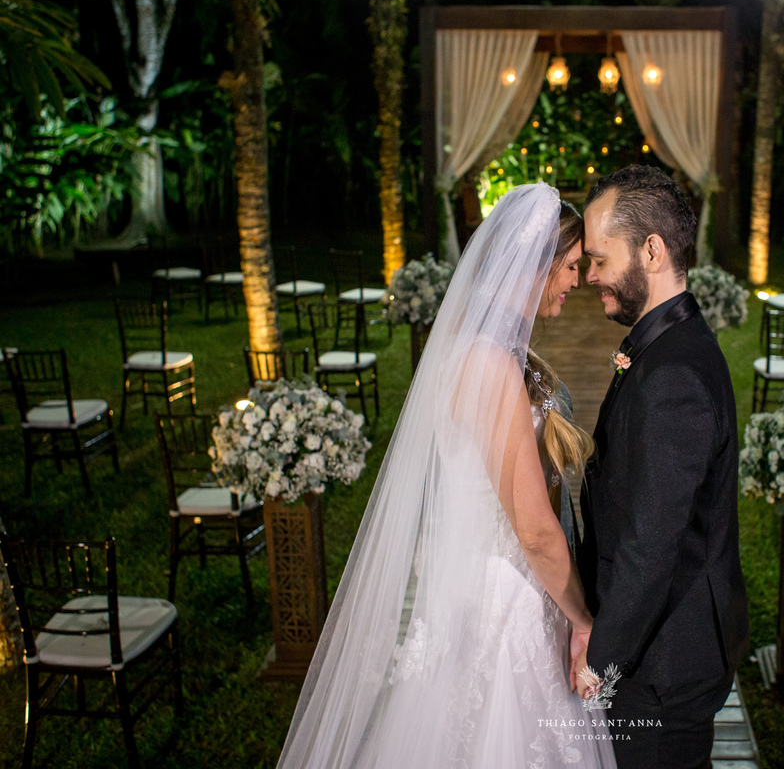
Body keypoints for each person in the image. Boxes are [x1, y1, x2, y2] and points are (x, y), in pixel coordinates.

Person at [277, 182, 617, 769]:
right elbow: (534, 530)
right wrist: (585, 621)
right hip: (504, 606)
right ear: (532, 270)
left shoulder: (484, 351)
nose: (575, 282)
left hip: (479, 589)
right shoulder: (489, 364)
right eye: (568, 266)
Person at [574, 165, 750, 769]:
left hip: (664, 661)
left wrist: (600, 663)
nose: (588, 275)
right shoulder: (666, 344)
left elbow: (650, 549)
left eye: (599, 258)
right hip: (662, 643)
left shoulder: (674, 372)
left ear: (651, 250)